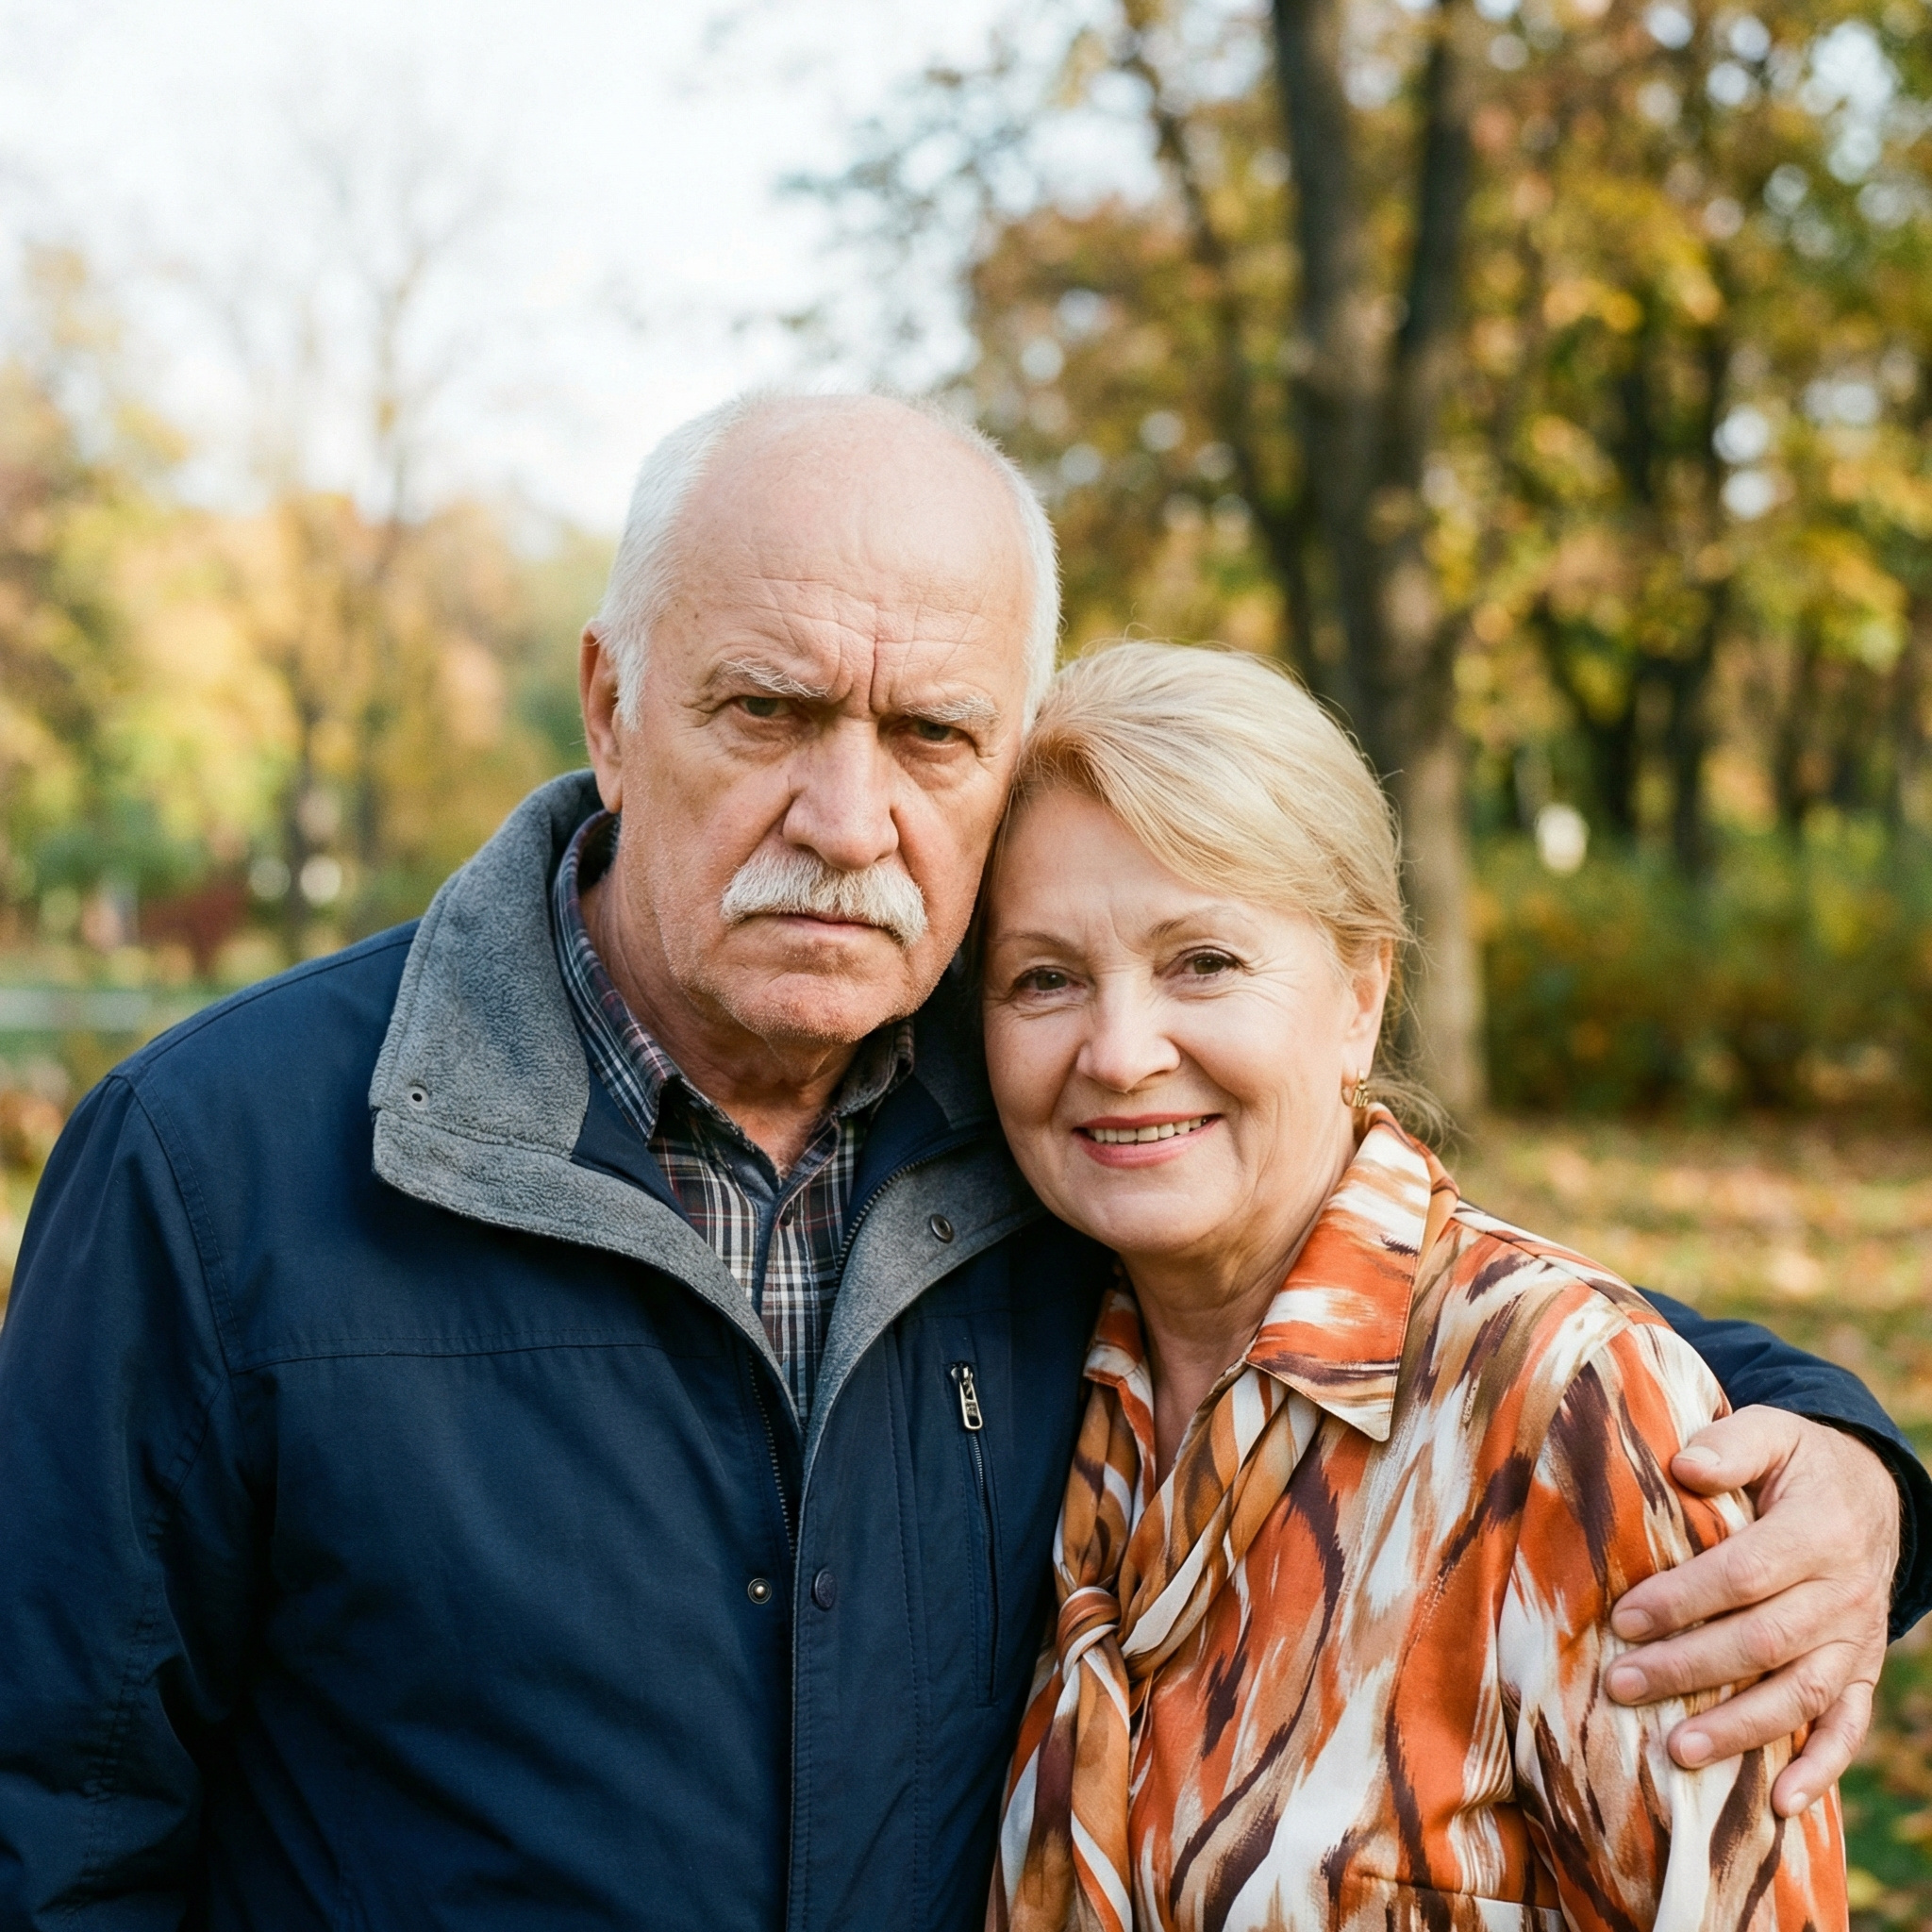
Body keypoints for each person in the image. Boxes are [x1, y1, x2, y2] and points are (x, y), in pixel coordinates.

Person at [0, 394, 1918, 1931]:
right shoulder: (222, 1164)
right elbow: (51, 1817)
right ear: (611, 705)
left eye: (931, 734)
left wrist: (1842, 1454)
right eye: (767, 710)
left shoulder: (1053, 1123)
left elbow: (1448, 1323)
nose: (847, 818)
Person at [982, 642, 1848, 1931]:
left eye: (1203, 961)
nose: (1117, 1052)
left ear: (1360, 994)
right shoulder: (1020, 1376)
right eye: (1044, 978)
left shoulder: (1569, 1407)